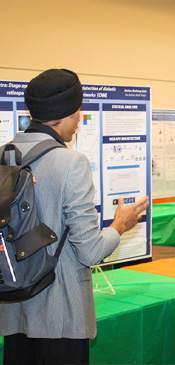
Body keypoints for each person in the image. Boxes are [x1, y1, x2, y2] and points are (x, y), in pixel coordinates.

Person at [0, 68, 149, 365]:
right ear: (67, 113)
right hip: (61, 313)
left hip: (13, 307)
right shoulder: (71, 163)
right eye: (79, 112)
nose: (80, 121)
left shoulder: (5, 155)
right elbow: (90, 251)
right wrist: (120, 225)